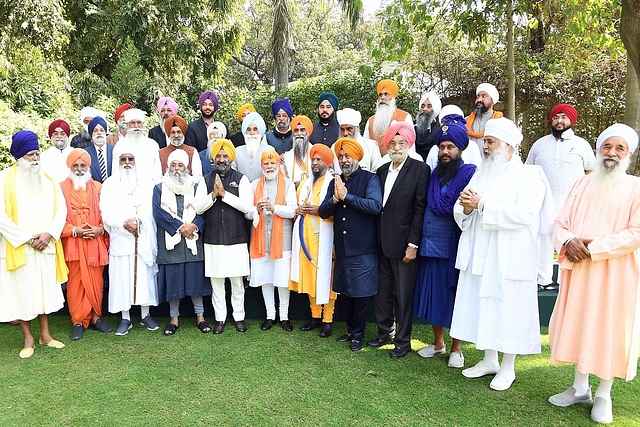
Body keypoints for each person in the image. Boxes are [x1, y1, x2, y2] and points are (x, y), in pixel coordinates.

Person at [449, 117, 553, 391]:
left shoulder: (529, 176)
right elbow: (462, 206)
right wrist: (468, 210)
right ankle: (489, 360)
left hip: (510, 256)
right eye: (484, 141)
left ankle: (508, 367)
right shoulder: (481, 173)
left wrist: (482, 205)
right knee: (485, 307)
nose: (485, 146)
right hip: (480, 253)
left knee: (510, 311)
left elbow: (526, 214)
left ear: (507, 145)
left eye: (490, 142)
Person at [547, 124, 640, 424]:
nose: (611, 153)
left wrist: (594, 247)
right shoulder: (580, 184)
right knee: (579, 324)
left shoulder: (635, 188)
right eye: (607, 147)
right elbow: (559, 223)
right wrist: (568, 240)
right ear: (598, 150)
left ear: (629, 155)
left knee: (609, 329)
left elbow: (636, 233)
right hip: (580, 270)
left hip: (616, 273)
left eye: (619, 148)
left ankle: (603, 394)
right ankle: (579, 388)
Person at [413, 116, 476, 368]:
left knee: (454, 298)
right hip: (430, 245)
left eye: (450, 147)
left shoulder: (470, 174)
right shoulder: (433, 174)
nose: (445, 151)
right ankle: (438, 343)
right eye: (442, 147)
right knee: (433, 297)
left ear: (460, 149)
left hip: (454, 247)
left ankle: (456, 348)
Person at [0, 130, 67, 358]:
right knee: (24, 292)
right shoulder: (4, 179)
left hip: (46, 246)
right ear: (19, 157)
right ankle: (28, 337)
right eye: (30, 155)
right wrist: (28, 239)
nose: (36, 159)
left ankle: (45, 334)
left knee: (44, 290)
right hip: (20, 247)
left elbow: (61, 210)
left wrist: (49, 233)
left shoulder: (48, 179)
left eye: (37, 153)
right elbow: (1, 217)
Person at [368, 122, 429, 358]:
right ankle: (385, 332)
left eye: (400, 142)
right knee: (382, 292)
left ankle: (403, 341)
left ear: (409, 143)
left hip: (405, 245)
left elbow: (419, 209)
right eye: (392, 142)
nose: (395, 146)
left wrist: (413, 244)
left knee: (404, 295)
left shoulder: (419, 170)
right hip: (381, 242)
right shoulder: (382, 170)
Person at [318, 137, 382, 351]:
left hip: (363, 248)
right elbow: (323, 211)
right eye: (341, 156)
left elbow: (375, 206)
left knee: (361, 294)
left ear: (357, 157)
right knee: (345, 292)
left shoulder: (369, 179)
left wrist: (347, 197)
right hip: (343, 248)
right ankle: (349, 330)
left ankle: (358, 335)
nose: (344, 160)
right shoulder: (334, 181)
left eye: (348, 156)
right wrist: (335, 199)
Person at [525, 103, 595, 290]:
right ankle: (543, 280)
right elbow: (528, 171)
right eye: (556, 117)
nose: (559, 121)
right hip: (544, 202)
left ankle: (572, 282)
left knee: (571, 241)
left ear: (571, 120)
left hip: (573, 203)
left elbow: (591, 173)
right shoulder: (540, 144)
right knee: (544, 241)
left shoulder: (582, 145)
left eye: (563, 117)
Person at [194, 139, 252, 334]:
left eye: (225, 155)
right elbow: (198, 207)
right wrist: (213, 195)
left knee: (237, 283)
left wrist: (225, 195)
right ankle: (220, 319)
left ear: (231, 158)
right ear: (213, 158)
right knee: (217, 283)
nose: (221, 159)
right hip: (213, 238)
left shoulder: (241, 179)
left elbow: (247, 208)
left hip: (236, 237)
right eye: (218, 156)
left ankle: (239, 318)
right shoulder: (205, 179)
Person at [100, 144, 159, 336]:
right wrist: (122, 223)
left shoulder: (146, 183)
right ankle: (125, 317)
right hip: (120, 236)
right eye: (123, 159)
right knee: (122, 279)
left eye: (130, 159)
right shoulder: (109, 184)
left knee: (143, 276)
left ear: (136, 161)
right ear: (117, 162)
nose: (127, 163)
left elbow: (150, 207)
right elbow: (105, 211)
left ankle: (145, 314)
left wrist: (137, 221)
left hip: (141, 236)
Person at [152, 150, 211, 336]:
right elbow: (158, 212)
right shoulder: (159, 187)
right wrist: (180, 227)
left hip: (193, 238)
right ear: (168, 167)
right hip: (172, 240)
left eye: (180, 165)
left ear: (187, 167)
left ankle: (200, 317)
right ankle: (174, 318)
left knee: (195, 279)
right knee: (174, 280)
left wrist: (193, 226)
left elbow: (203, 209)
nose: (177, 169)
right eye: (173, 165)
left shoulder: (196, 185)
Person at [60, 149, 111, 340]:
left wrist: (100, 229)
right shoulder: (61, 188)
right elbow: (56, 217)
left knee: (97, 282)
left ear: (88, 167)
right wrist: (74, 230)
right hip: (74, 242)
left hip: (95, 242)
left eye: (83, 166)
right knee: (75, 283)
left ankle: (96, 318)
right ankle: (79, 321)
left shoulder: (98, 187)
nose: (80, 169)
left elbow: (107, 213)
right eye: (76, 166)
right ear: (70, 167)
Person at [247, 150, 297, 331]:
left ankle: (284, 316)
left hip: (282, 240)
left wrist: (273, 207)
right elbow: (247, 212)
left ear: (278, 166)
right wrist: (256, 210)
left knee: (282, 280)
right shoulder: (253, 185)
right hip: (260, 240)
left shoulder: (289, 184)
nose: (269, 167)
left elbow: (293, 210)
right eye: (266, 164)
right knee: (265, 278)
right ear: (261, 167)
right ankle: (270, 316)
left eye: (272, 164)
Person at [290, 144, 336, 337]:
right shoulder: (305, 183)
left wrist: (320, 210)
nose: (316, 163)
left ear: (327, 162)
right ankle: (315, 316)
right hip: (305, 238)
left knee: (327, 278)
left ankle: (328, 319)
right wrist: (297, 210)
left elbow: (337, 209)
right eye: (314, 160)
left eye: (319, 160)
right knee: (310, 276)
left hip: (325, 237)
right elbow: (296, 206)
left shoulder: (334, 182)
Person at [363, 79, 413, 156]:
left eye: (386, 94)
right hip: (375, 166)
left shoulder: (405, 117)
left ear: (393, 97)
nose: (382, 98)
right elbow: (365, 147)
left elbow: (411, 146)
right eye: (380, 95)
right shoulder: (371, 121)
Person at [152, 115, 202, 185]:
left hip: (188, 191)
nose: (176, 135)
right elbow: (156, 177)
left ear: (183, 133)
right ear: (168, 134)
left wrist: (184, 186)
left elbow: (198, 176)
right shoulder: (160, 153)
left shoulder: (192, 151)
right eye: (172, 132)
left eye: (179, 132)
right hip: (166, 191)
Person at [114, 108, 160, 181]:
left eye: (139, 122)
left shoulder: (152, 145)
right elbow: (115, 172)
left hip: (149, 189)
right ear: (127, 125)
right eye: (133, 123)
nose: (136, 126)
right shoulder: (120, 146)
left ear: (143, 124)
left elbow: (157, 173)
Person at [334, 108, 381, 172]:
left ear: (356, 129)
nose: (345, 133)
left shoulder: (371, 147)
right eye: (342, 129)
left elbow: (377, 172)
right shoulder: (334, 147)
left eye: (349, 129)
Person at [233, 112, 271, 182]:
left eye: (255, 129)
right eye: (248, 129)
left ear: (260, 131)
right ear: (245, 132)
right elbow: (233, 175)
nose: (252, 133)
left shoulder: (269, 150)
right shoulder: (237, 151)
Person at [466, 83, 503, 151]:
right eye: (478, 96)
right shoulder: (465, 121)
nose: (479, 100)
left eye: (484, 96)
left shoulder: (500, 123)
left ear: (492, 100)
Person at [282, 115, 313, 188]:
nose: (299, 134)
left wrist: (303, 183)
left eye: (302, 130)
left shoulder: (316, 153)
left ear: (308, 132)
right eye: (296, 130)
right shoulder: (286, 156)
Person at [85, 116, 114, 184]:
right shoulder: (86, 153)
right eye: (95, 131)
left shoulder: (114, 150)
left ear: (105, 132)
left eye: (101, 130)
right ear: (91, 134)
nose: (99, 133)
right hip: (94, 191)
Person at [414, 92, 442, 161]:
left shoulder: (439, 131)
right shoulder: (413, 129)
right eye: (422, 106)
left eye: (429, 106)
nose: (424, 109)